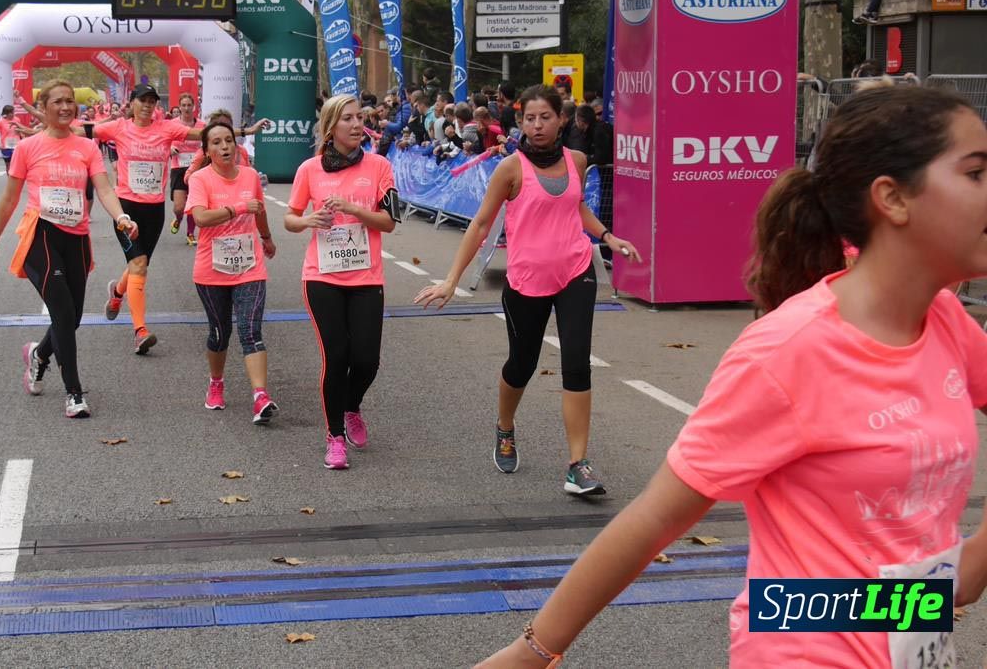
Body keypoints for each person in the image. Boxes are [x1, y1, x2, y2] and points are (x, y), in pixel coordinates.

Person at [476, 84, 987, 668]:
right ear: (892, 199)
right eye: (975, 173)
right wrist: (533, 652)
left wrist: (970, 564)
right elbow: (653, 519)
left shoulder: (944, 319)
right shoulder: (789, 351)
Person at [416, 85, 641, 495]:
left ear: (561, 121)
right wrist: (451, 279)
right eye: (529, 119)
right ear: (521, 122)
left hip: (576, 272)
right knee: (522, 365)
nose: (537, 125)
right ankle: (505, 426)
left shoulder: (576, 160)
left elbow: (576, 207)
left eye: (545, 118)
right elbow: (481, 225)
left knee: (577, 365)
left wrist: (607, 236)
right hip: (526, 281)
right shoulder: (511, 169)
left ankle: (578, 464)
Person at [0, 79, 138, 419]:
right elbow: (9, 198)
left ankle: (39, 354)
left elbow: (105, 189)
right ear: (44, 107)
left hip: (76, 238)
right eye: (58, 102)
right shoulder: (28, 148)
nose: (66, 107)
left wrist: (121, 216)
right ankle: (74, 393)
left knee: (74, 317)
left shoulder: (87, 148)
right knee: (64, 313)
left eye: (70, 101)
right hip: (42, 235)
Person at [285, 94, 400, 470]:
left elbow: (388, 222)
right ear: (331, 126)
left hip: (366, 277)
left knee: (366, 360)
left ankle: (352, 406)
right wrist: (310, 221)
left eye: (360, 118)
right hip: (322, 277)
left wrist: (353, 209)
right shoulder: (310, 169)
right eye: (348, 119)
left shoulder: (380, 166)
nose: (356, 125)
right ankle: (335, 437)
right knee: (336, 356)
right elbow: (291, 218)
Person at [93, 85, 201, 354]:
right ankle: (140, 330)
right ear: (131, 104)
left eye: (152, 101)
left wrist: (244, 132)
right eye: (142, 101)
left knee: (139, 264)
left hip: (154, 210)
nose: (147, 106)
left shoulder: (166, 129)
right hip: (126, 209)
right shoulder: (117, 127)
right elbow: (86, 130)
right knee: (139, 264)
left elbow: (203, 134)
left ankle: (117, 293)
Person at [185, 121, 280, 422]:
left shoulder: (251, 176)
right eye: (217, 142)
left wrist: (265, 237)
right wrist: (237, 209)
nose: (225, 147)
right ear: (207, 150)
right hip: (211, 270)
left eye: (229, 140)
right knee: (220, 333)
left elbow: (259, 209)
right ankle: (216, 382)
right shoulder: (200, 179)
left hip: (249, 266)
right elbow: (200, 218)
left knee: (250, 331)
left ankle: (260, 397)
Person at [168, 92, 208, 245]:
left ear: (194, 107)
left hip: (197, 168)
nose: (186, 108)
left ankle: (190, 233)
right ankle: (178, 219)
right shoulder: (172, 124)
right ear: (179, 107)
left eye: (189, 105)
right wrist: (170, 148)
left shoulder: (202, 126)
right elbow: (164, 142)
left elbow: (207, 144)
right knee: (179, 207)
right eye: (183, 105)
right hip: (178, 167)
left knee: (193, 203)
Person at [0, 105, 21, 172]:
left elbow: (21, 131)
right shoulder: (0, 122)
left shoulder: (17, 120)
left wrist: (23, 140)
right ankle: (10, 180)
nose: (12, 114)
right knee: (8, 165)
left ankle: (15, 180)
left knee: (15, 165)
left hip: (16, 145)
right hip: (5, 146)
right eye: (11, 113)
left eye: (13, 112)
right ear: (6, 113)